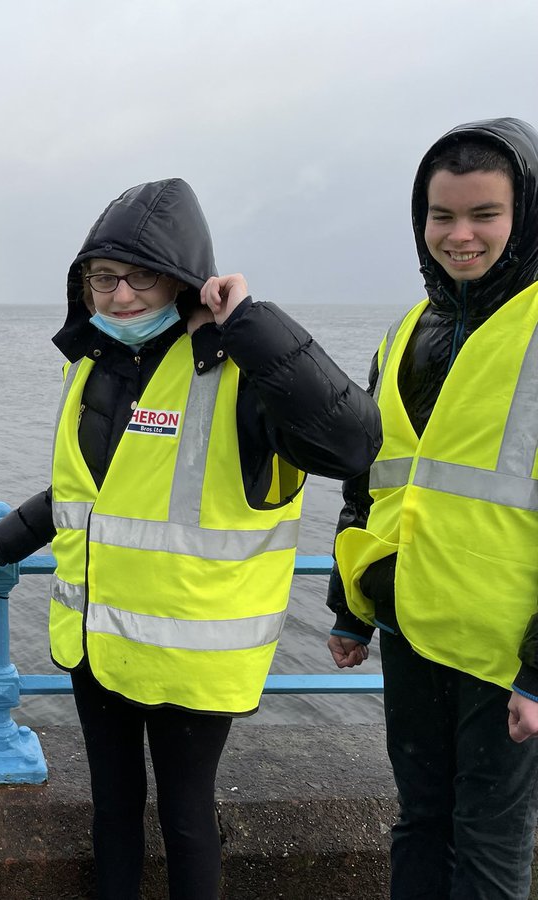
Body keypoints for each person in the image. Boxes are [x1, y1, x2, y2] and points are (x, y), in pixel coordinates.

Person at [0, 177, 380, 898]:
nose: (120, 296)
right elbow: (84, 495)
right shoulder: (90, 366)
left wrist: (250, 320)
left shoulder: (239, 371)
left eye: (141, 275)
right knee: (113, 810)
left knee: (185, 819)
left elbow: (353, 441)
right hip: (97, 643)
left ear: (184, 275)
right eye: (102, 277)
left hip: (191, 659)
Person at [328, 117, 538, 898]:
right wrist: (351, 607)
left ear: (524, 215)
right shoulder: (407, 329)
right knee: (419, 821)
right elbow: (371, 481)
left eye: (485, 215)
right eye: (441, 215)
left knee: (489, 843)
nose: (461, 236)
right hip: (410, 628)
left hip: (504, 653)